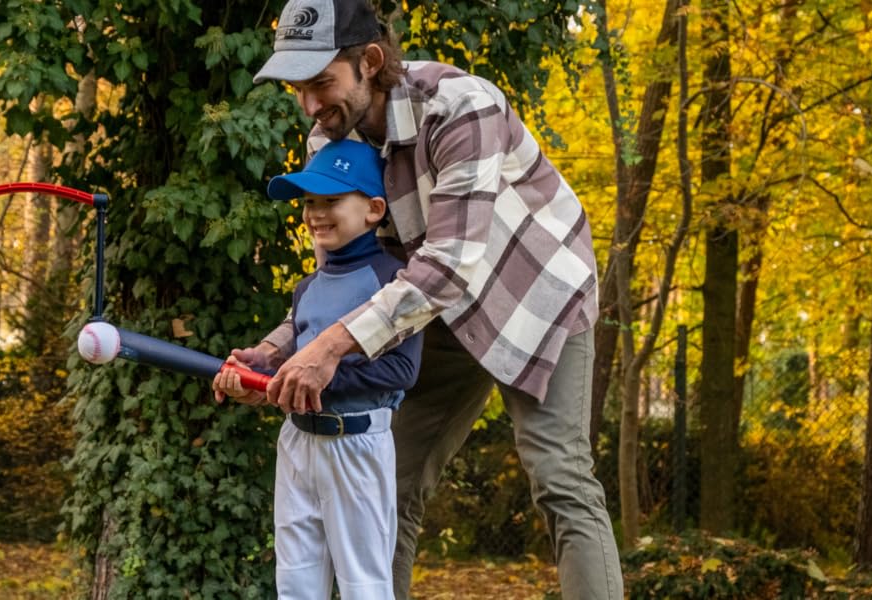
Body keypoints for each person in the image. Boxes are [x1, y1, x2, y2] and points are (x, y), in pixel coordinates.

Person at [230, 0, 626, 597]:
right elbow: (338, 281)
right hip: (422, 310)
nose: (310, 105)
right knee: (391, 483)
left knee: (560, 478)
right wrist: (277, 348)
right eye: (298, 89)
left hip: (533, 297)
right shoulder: (327, 140)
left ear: (369, 61)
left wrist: (331, 348)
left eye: (321, 83)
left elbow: (450, 266)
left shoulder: (462, 106)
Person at [213, 139, 422, 600]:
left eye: (331, 201)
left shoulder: (393, 281)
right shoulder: (307, 286)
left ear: (373, 209)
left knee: (363, 584)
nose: (315, 213)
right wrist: (260, 372)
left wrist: (318, 381)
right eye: (309, 202)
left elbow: (401, 372)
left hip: (356, 444)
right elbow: (290, 356)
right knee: (295, 582)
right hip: (297, 442)